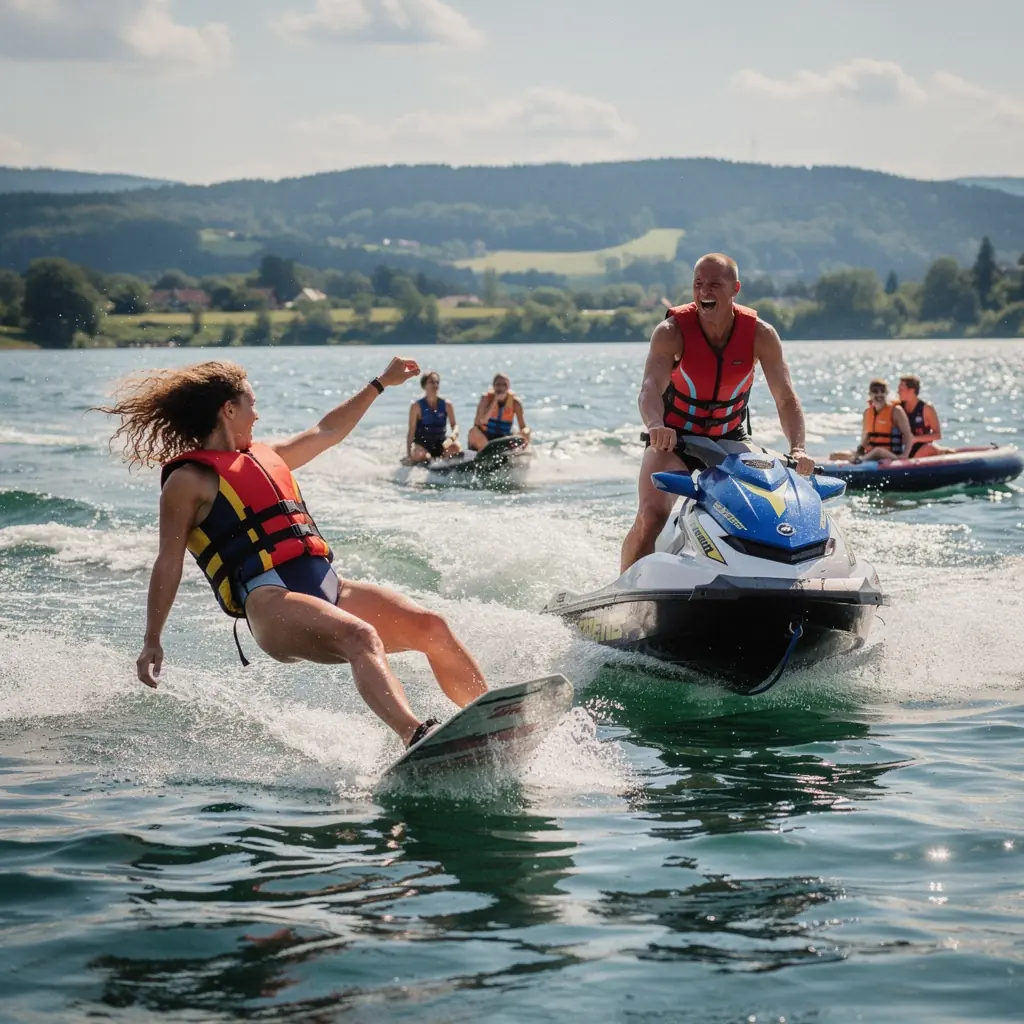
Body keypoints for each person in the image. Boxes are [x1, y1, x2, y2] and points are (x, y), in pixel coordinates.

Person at [100, 358, 487, 749]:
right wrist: (152, 639)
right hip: (269, 602)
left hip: (328, 586)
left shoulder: (268, 456)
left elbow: (329, 428)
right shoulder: (187, 481)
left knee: (431, 626)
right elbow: (169, 561)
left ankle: (492, 719)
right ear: (229, 410)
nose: (258, 413)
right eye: (252, 403)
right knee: (361, 635)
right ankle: (416, 736)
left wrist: (381, 383)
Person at [621, 252, 815, 573]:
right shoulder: (671, 331)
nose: (704, 292)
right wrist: (656, 425)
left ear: (735, 289)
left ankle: (772, 574)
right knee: (652, 514)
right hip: (675, 439)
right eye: (698, 284)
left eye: (715, 284)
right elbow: (649, 388)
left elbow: (785, 399)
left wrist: (799, 448)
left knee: (766, 505)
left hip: (730, 439)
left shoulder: (760, 335)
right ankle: (624, 594)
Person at [829, 378, 912, 463]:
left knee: (878, 451)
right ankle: (858, 459)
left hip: (890, 454)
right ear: (870, 394)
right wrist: (858, 452)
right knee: (834, 455)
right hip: (870, 454)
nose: (879, 394)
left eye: (882, 391)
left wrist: (905, 455)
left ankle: (859, 460)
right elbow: (865, 439)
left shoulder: (896, 411)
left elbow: (909, 436)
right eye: (875, 391)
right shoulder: (867, 413)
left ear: (887, 393)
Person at [406, 370, 460, 464]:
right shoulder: (416, 407)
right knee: (422, 455)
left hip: (441, 443)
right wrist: (409, 454)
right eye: (431, 382)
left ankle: (442, 459)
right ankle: (422, 459)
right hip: (423, 445)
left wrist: (454, 435)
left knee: (456, 447)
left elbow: (455, 426)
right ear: (424, 386)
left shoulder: (447, 405)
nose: (435, 385)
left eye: (437, 382)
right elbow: (411, 432)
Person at [468, 373, 531, 451]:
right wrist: (495, 401)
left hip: (503, 437)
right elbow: (482, 421)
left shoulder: (515, 403)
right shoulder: (485, 399)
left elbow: (522, 426)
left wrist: (525, 433)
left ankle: (519, 453)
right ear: (493, 386)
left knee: (526, 431)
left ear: (508, 387)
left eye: (504, 385)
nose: (501, 387)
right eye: (498, 384)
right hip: (485, 437)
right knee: (473, 431)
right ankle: (485, 453)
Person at [898, 374, 952, 458]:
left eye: (901, 390)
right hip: (903, 447)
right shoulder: (898, 406)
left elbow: (937, 435)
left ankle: (941, 451)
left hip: (921, 446)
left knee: (929, 448)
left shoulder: (927, 409)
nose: (898, 392)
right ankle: (941, 450)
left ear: (911, 391)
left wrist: (915, 439)